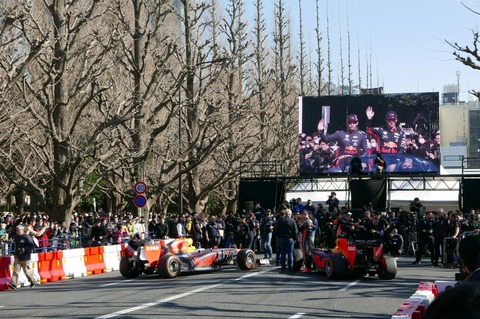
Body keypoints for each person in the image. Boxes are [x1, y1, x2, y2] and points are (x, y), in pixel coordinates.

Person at [9, 225, 37, 289]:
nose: (17, 232)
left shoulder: (27, 237)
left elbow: (31, 246)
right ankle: (14, 284)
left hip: (25, 256)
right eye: (16, 230)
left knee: (26, 270)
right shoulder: (16, 237)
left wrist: (24, 249)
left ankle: (32, 280)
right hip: (18, 256)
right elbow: (14, 245)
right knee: (16, 270)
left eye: (18, 230)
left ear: (22, 230)